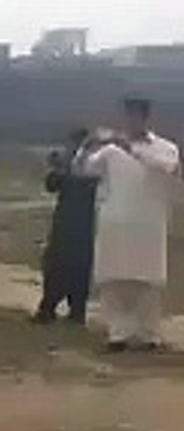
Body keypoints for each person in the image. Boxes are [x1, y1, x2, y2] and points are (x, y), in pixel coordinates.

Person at [78, 99, 180, 352]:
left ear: (146, 119)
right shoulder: (111, 152)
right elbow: (83, 170)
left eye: (136, 117)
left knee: (147, 282)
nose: (131, 122)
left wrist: (132, 149)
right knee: (114, 281)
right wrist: (86, 146)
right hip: (116, 222)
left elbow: (168, 168)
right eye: (128, 117)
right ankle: (118, 334)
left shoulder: (165, 148)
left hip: (148, 224)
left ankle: (148, 335)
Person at [33, 130, 98, 324]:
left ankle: (75, 311)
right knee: (55, 266)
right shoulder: (70, 162)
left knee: (77, 268)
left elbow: (90, 184)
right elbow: (51, 184)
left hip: (83, 224)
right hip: (65, 223)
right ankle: (50, 308)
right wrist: (58, 170)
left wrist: (65, 173)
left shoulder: (94, 165)